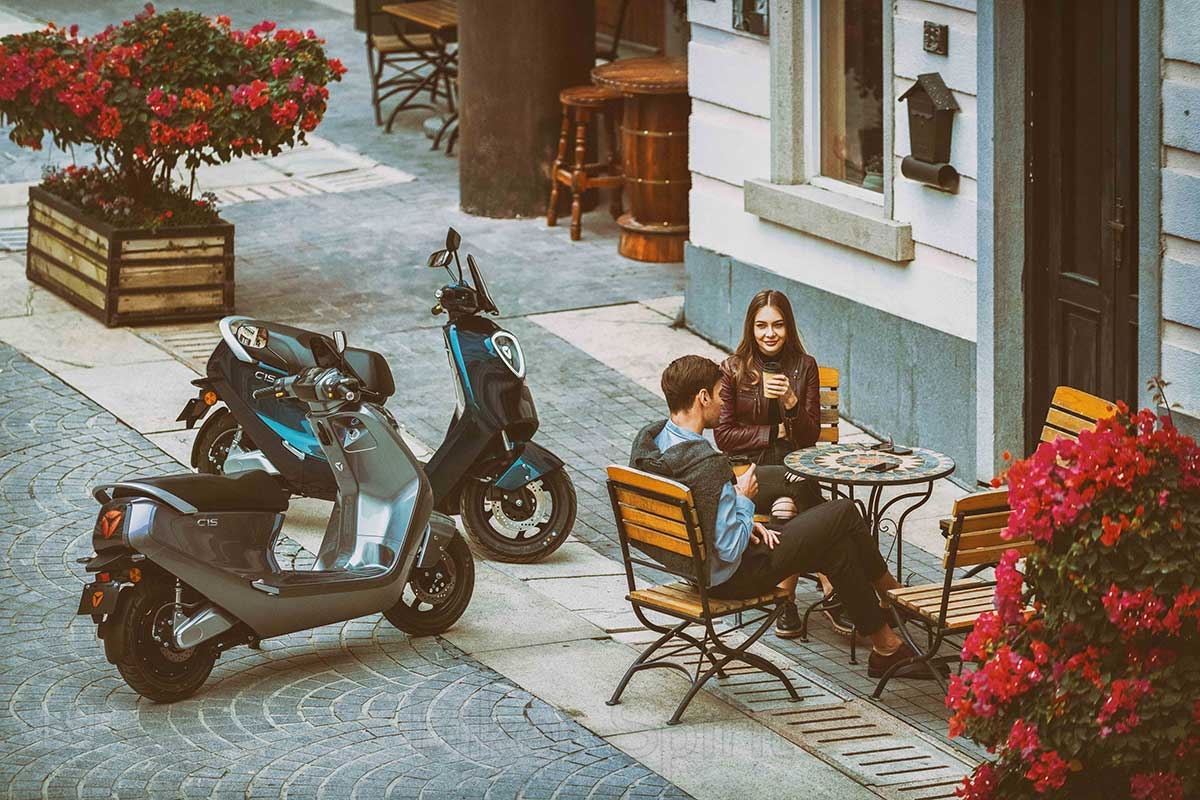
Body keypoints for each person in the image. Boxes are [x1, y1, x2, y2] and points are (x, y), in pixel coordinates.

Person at [630, 355, 930, 681]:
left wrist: (743, 520)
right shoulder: (706, 465)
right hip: (733, 577)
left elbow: (706, 523)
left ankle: (886, 647)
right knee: (844, 512)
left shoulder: (653, 446)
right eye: (719, 394)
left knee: (836, 547)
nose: (722, 402)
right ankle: (893, 596)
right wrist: (744, 502)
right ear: (702, 397)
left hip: (696, 570)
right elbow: (729, 549)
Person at [714, 289, 846, 638]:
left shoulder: (805, 366)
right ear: (751, 327)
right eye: (761, 325)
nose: (769, 333)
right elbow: (724, 436)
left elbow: (809, 436)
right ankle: (832, 584)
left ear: (788, 327)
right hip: (749, 473)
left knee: (787, 503)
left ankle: (784, 600)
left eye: (778, 325)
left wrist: (790, 400)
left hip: (793, 467)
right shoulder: (732, 369)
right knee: (816, 500)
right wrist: (773, 431)